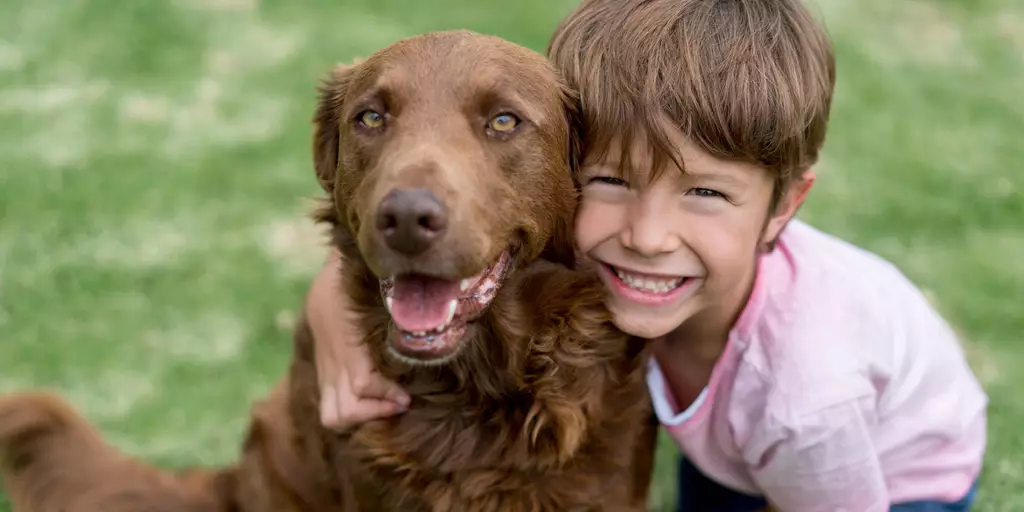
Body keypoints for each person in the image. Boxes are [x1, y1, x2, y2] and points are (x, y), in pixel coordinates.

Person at [305, 0, 988, 510]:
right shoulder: (629, 274)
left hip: (898, 478)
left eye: (706, 192)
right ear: (576, 164)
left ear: (782, 208)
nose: (647, 236)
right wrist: (332, 297)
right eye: (612, 181)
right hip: (728, 443)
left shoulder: (805, 395)